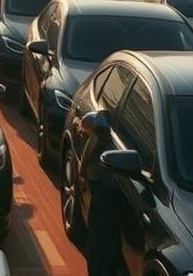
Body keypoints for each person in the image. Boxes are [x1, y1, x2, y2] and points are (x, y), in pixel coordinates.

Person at [80, 110, 125, 276]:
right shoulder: (103, 131)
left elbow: (84, 167)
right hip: (104, 187)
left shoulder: (99, 132)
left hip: (101, 186)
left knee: (99, 239)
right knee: (104, 240)